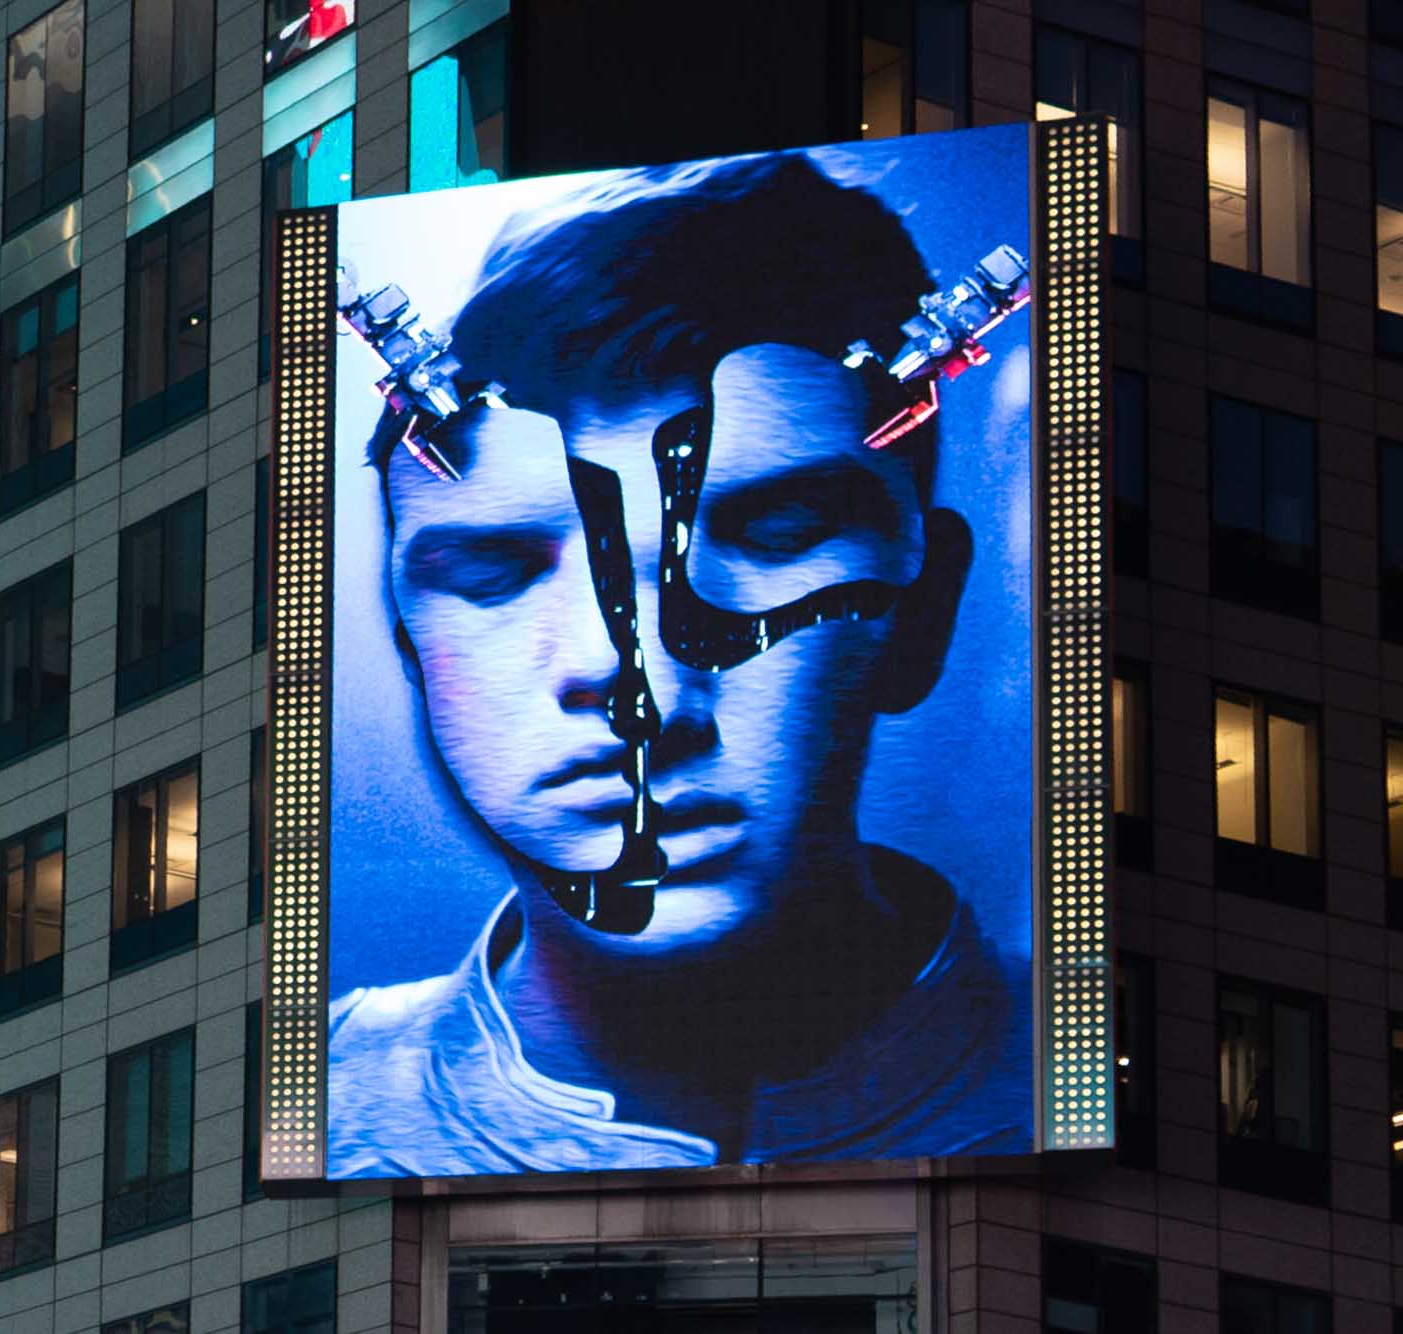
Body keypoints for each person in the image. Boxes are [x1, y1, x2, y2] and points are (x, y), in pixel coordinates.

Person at [326, 152, 1032, 1177]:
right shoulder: (310, 1105)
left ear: (923, 612)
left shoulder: (1078, 1063)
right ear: (410, 644)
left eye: (774, 535)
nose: (642, 688)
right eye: (496, 569)